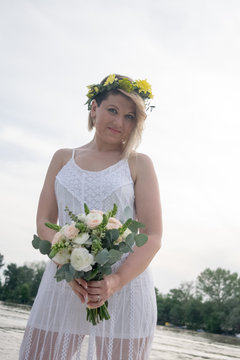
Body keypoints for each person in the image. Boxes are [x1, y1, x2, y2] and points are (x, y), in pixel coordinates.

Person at [19, 74, 162, 360]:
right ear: (94, 108)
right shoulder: (62, 158)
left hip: (124, 287)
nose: (119, 122)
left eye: (130, 116)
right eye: (112, 110)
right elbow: (44, 223)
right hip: (64, 282)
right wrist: (66, 265)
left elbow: (153, 236)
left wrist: (114, 282)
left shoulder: (138, 164)